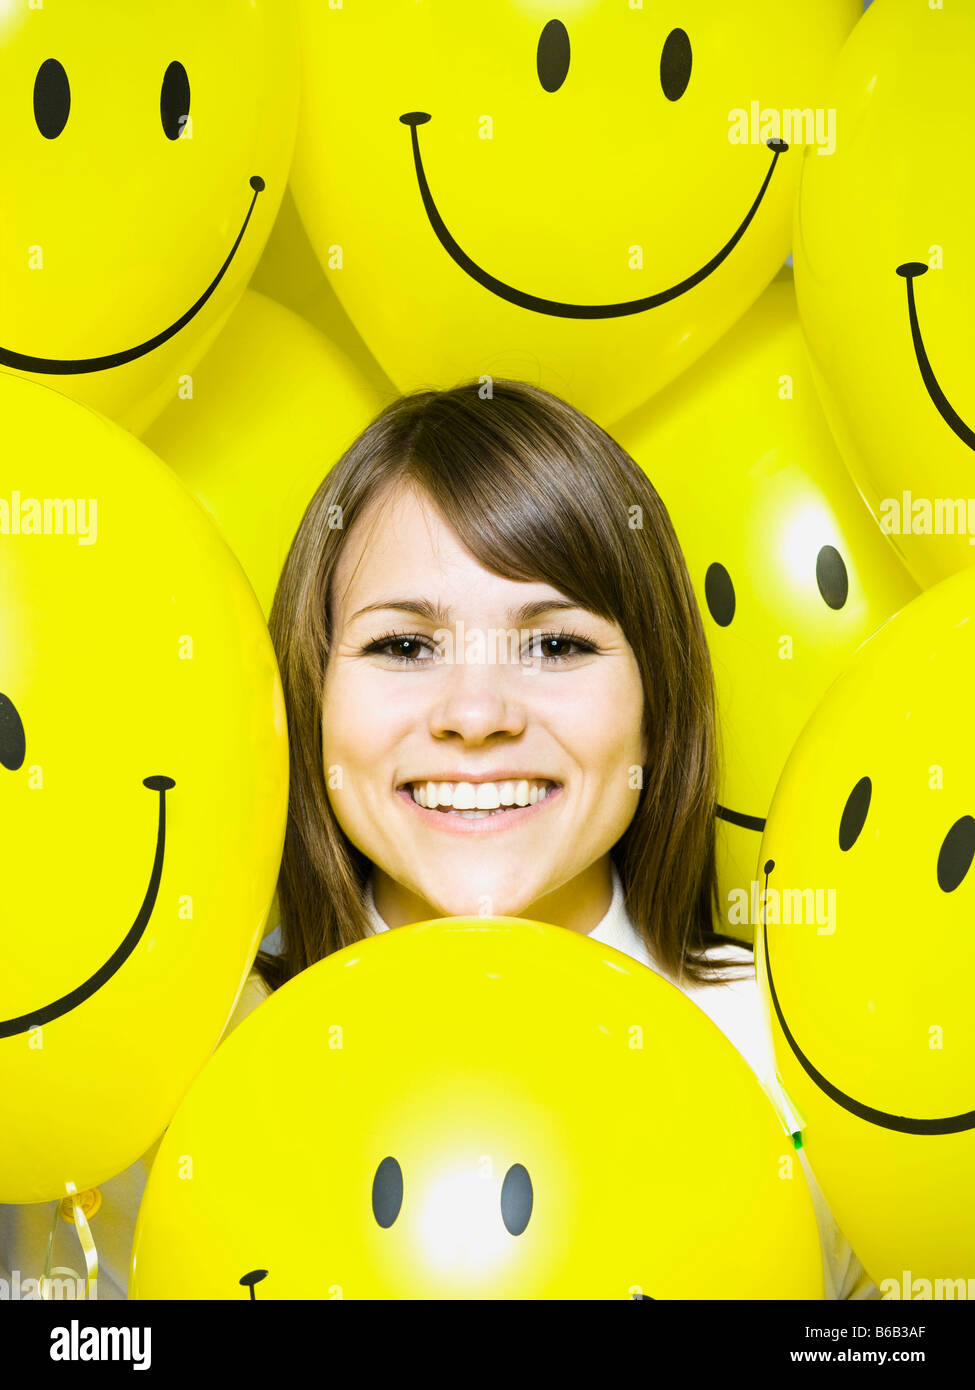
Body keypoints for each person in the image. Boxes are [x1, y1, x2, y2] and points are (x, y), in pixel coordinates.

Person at [0, 378, 876, 1300]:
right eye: (404, 647)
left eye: (555, 645)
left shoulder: (803, 1061)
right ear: (313, 694)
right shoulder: (174, 1072)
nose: (475, 714)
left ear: (658, 704)